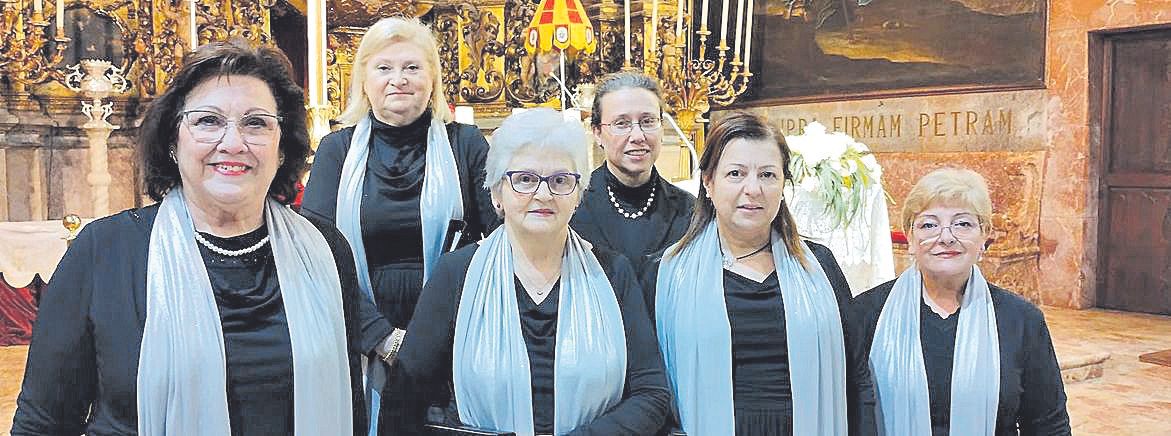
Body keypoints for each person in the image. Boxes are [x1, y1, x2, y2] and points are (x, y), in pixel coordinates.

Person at [12, 40, 391, 435]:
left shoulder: (325, 249)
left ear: (282, 148)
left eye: (256, 122)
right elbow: (43, 422)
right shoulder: (104, 252)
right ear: (173, 142)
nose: (232, 143)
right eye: (208, 121)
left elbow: (350, 403)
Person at [384, 108, 671, 435]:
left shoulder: (612, 272)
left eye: (560, 180)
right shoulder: (456, 274)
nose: (544, 194)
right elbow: (404, 399)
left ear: (578, 195)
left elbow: (651, 392)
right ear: (496, 194)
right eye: (524, 179)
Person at [298, 17, 498, 432]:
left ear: (432, 78)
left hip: (453, 333)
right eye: (384, 68)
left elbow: (500, 241)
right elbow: (314, 255)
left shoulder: (466, 145)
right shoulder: (337, 150)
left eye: (412, 67)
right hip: (359, 332)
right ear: (364, 80)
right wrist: (383, 337)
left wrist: (437, 335)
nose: (398, 80)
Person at [641, 112, 875, 435]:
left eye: (767, 175)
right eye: (736, 173)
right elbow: (648, 388)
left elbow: (858, 374)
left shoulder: (819, 266)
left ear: (783, 184)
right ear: (708, 182)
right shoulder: (665, 275)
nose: (753, 189)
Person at [852, 168, 1071, 435]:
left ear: (984, 237)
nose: (946, 237)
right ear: (910, 238)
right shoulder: (865, 313)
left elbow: (1048, 424)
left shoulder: (1022, 320)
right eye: (929, 224)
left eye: (963, 224)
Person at [570, 71, 695, 263]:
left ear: (661, 127)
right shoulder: (574, 206)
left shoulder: (689, 210)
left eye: (648, 121)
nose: (638, 136)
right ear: (597, 133)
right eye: (621, 123)